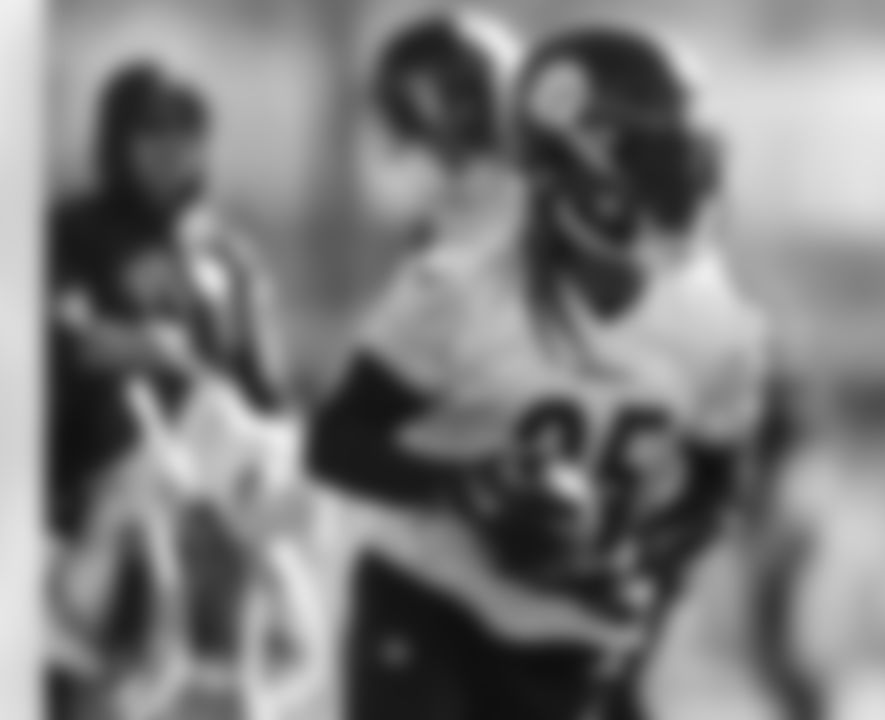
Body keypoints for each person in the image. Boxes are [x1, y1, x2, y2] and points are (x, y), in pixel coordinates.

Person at [308, 25, 772, 720]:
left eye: (686, 156)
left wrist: (635, 555)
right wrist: (463, 487)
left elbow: (716, 485)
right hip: (431, 599)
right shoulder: (460, 288)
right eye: (655, 158)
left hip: (568, 632)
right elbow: (335, 441)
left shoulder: (716, 321)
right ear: (569, 172)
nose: (680, 182)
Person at [46, 61, 290, 720]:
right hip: (93, 484)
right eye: (151, 132)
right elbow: (60, 333)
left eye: (188, 133)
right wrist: (140, 345)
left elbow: (266, 392)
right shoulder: (70, 232)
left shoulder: (228, 256)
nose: (171, 150)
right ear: (116, 140)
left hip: (213, 499)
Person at [352, 10, 524, 255]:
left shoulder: (520, 168)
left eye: (447, 88)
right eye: (415, 90)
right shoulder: (414, 175)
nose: (429, 102)